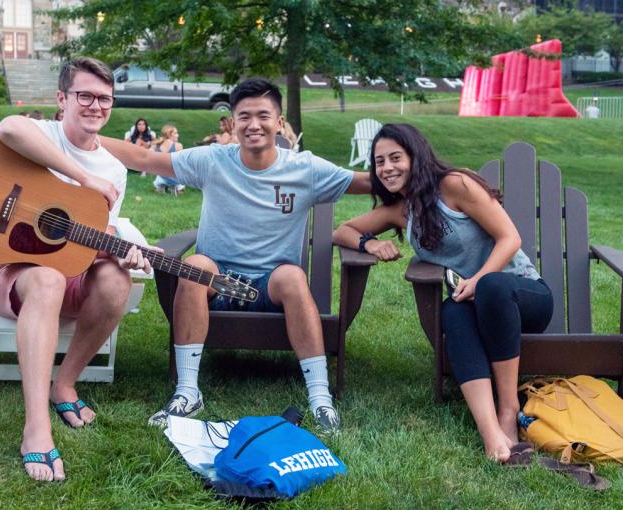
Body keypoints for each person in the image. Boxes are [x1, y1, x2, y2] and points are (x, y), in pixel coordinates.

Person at [100, 78, 371, 434]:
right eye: (244, 116)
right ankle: (187, 391)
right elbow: (145, 158)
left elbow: (367, 182)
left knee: (292, 276)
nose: (253, 124)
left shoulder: (304, 168)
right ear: (233, 121)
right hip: (219, 281)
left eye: (263, 116)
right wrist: (75, 133)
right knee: (195, 266)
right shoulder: (212, 161)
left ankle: (320, 399)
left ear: (279, 122)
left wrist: (429, 179)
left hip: (272, 286)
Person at [332, 123, 553, 463]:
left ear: (415, 157)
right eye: (379, 161)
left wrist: (478, 278)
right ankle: (491, 434)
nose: (387, 167)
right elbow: (342, 231)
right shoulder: (402, 211)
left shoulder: (454, 185)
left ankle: (508, 411)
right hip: (472, 301)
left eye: (395, 158)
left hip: (523, 297)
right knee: (452, 311)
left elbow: (510, 237)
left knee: (491, 286)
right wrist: (371, 243)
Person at [0, 57, 153, 482]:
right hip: (10, 269)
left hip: (66, 273)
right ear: (62, 99)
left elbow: (90, 233)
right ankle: (36, 427)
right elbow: (6, 128)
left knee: (117, 277)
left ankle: (65, 383)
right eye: (85, 96)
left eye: (105, 99)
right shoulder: (44, 133)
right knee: (46, 276)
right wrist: (82, 177)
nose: (96, 106)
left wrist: (117, 249)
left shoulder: (115, 169)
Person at [151, 124, 185, 195]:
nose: (178, 135)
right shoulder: (178, 145)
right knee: (181, 190)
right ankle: (172, 188)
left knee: (161, 179)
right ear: (169, 134)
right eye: (175, 133)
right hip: (175, 177)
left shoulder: (156, 145)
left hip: (161, 175)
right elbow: (181, 163)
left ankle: (163, 187)